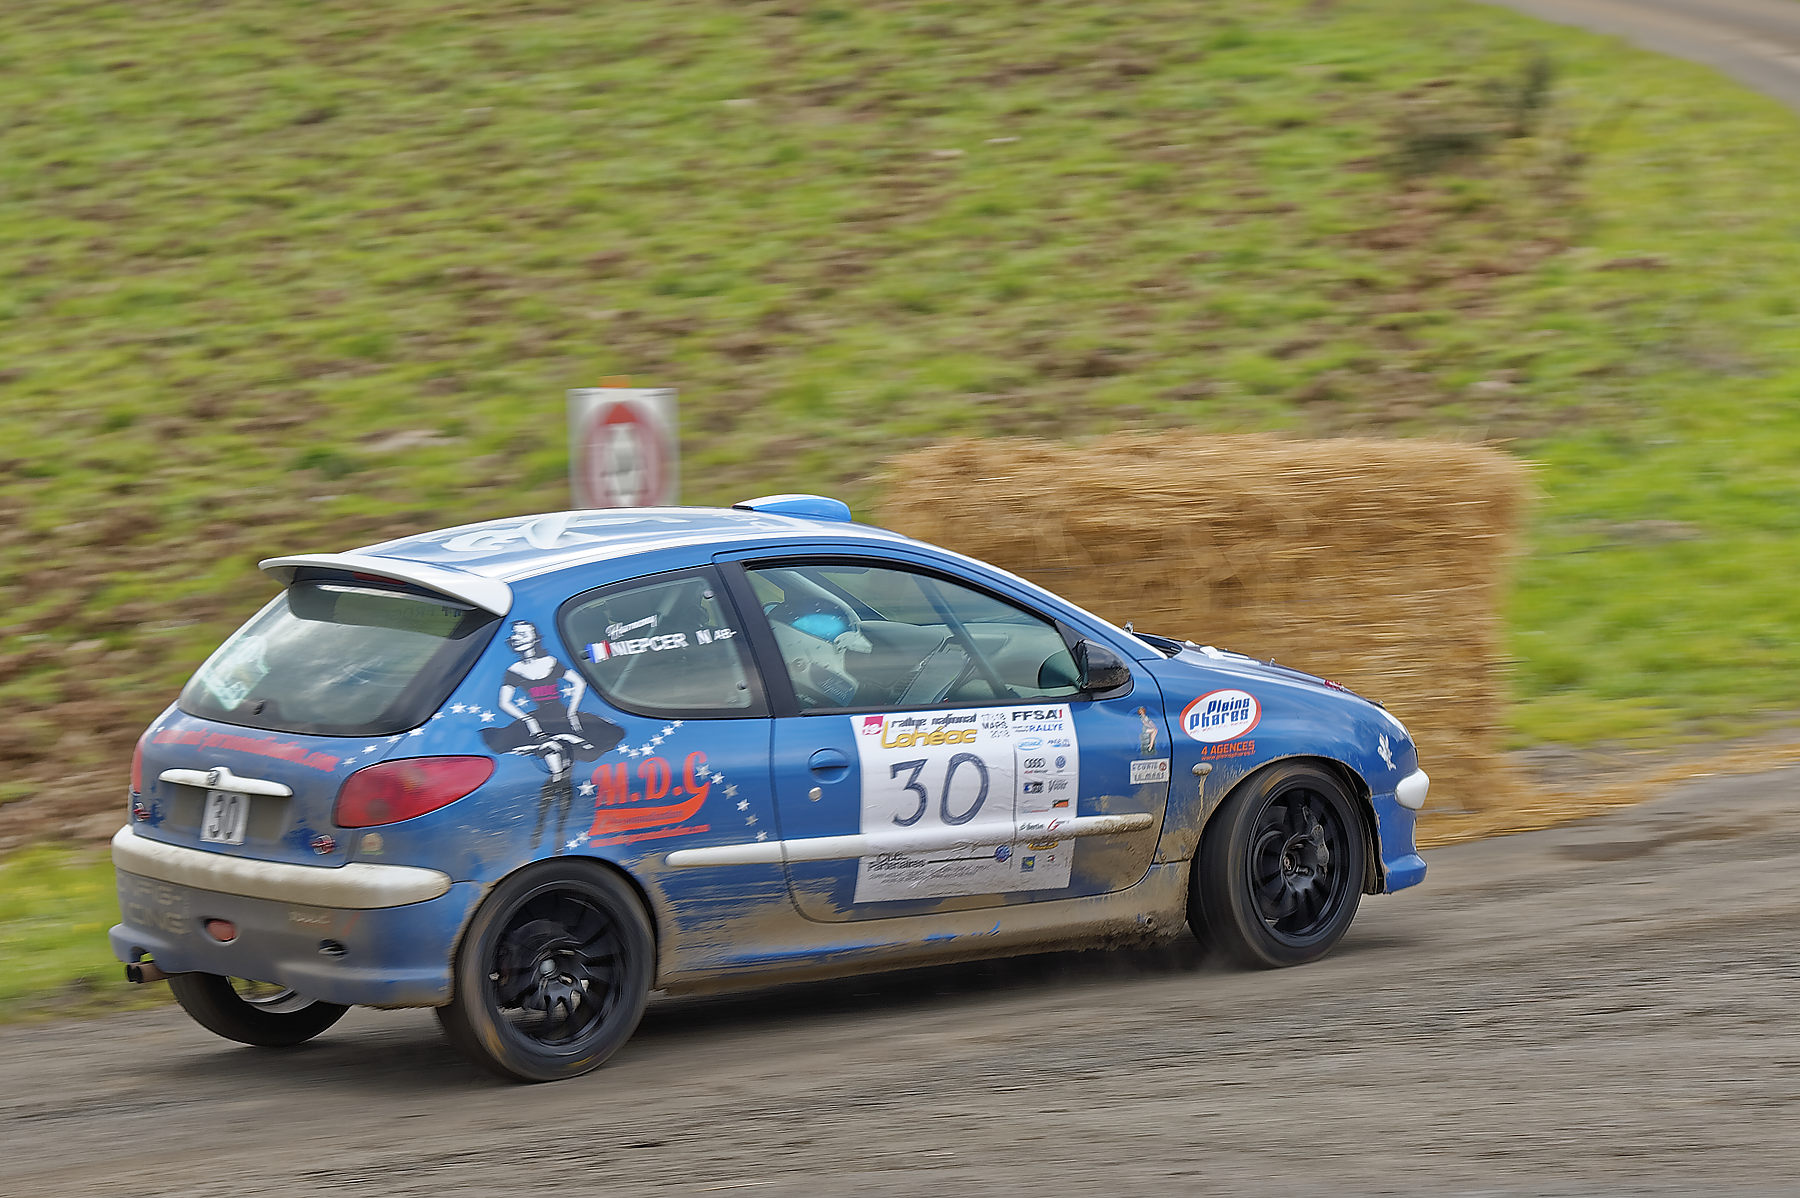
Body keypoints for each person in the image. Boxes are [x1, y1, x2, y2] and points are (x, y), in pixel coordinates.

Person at [482, 620, 623, 846]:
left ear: (535, 638)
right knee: (558, 774)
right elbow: (504, 702)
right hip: (539, 724)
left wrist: (572, 711)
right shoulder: (514, 671)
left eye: (523, 634)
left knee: (563, 775)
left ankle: (553, 832)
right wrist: (527, 720)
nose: (517, 638)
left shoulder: (551, 662)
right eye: (515, 635)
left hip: (562, 720)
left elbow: (578, 683)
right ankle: (548, 831)